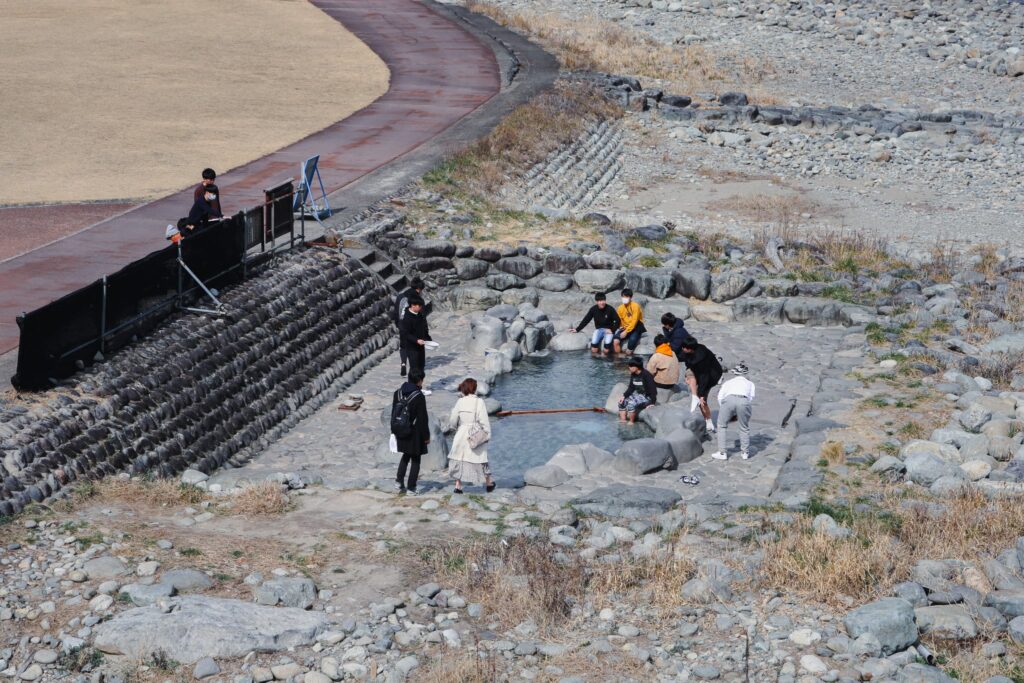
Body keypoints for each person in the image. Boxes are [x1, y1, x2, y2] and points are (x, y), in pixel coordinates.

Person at [447, 378, 495, 494]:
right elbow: (484, 421)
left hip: (462, 432)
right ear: (474, 389)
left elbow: (453, 419)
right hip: (475, 434)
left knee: (459, 458)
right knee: (481, 458)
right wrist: (487, 435)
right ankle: (488, 483)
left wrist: (455, 428)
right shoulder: (479, 402)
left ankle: (458, 486)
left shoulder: (460, 402)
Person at [393, 368, 430, 495]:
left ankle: (399, 481)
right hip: (414, 432)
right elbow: (423, 418)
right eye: (422, 380)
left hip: (400, 429)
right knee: (415, 459)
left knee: (405, 455)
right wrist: (426, 436)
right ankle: (411, 487)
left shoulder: (397, 393)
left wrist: (394, 431)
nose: (422, 382)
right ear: (419, 381)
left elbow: (394, 413)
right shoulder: (418, 396)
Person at [679, 336, 724, 433]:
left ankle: (708, 420)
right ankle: (694, 396)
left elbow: (705, 377)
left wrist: (702, 394)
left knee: (702, 400)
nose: (683, 349)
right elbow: (688, 362)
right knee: (690, 375)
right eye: (683, 347)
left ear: (691, 349)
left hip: (712, 375)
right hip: (698, 371)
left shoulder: (701, 359)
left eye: (685, 348)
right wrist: (687, 377)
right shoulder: (691, 350)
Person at [712, 363, 755, 461]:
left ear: (735, 373)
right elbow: (751, 397)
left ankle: (722, 452)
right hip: (744, 400)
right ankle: (745, 453)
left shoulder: (728, 382)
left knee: (721, 425)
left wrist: (724, 409)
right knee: (744, 427)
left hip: (728, 400)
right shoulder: (750, 384)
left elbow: (720, 397)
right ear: (745, 373)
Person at [394, 278, 429, 376]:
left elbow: (396, 312)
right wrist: (425, 332)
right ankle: (414, 368)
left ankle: (403, 363)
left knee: (403, 345)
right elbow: (422, 316)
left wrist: (398, 324)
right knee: (413, 347)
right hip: (413, 326)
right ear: (419, 289)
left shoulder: (400, 296)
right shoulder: (417, 300)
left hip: (401, 324)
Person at [399, 295, 431, 380]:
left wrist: (428, 339)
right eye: (419, 306)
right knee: (414, 369)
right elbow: (405, 333)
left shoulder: (420, 314)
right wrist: (416, 340)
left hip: (421, 346)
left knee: (421, 367)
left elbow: (424, 328)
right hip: (412, 347)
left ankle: (419, 387)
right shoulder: (406, 317)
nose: (420, 307)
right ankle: (411, 388)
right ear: (413, 305)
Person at [618, 356, 657, 423]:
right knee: (621, 403)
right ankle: (623, 420)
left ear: (637, 367)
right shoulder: (633, 374)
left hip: (647, 397)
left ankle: (631, 422)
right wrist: (624, 396)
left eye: (631, 366)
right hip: (639, 395)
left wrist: (652, 402)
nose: (629, 368)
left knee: (630, 404)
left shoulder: (647, 375)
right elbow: (631, 388)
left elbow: (653, 390)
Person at [646, 334, 681, 399]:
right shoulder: (673, 352)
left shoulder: (656, 356)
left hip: (661, 384)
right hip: (673, 383)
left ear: (656, 344)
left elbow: (649, 372)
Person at [613, 288, 645, 353]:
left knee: (632, 341)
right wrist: (619, 327)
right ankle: (617, 360)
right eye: (623, 296)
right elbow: (619, 320)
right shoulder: (620, 308)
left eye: (626, 297)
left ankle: (628, 357)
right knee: (615, 341)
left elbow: (634, 321)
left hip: (636, 326)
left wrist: (626, 332)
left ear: (630, 297)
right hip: (625, 326)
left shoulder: (636, 306)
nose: (624, 298)